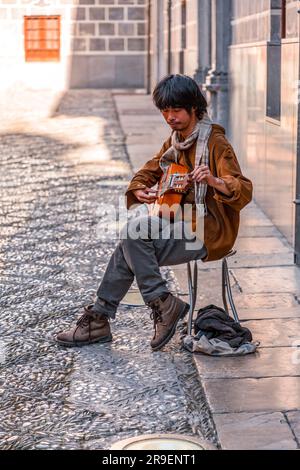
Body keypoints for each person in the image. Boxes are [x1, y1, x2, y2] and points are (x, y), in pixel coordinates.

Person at [56, 74, 253, 351]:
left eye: (176, 110)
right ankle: (147, 305)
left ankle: (109, 316)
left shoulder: (215, 143)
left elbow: (243, 189)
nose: (170, 117)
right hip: (180, 220)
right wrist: (139, 189)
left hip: (211, 229)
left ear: (194, 108)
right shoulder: (176, 142)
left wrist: (213, 180)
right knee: (132, 240)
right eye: (165, 111)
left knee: (132, 240)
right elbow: (149, 170)